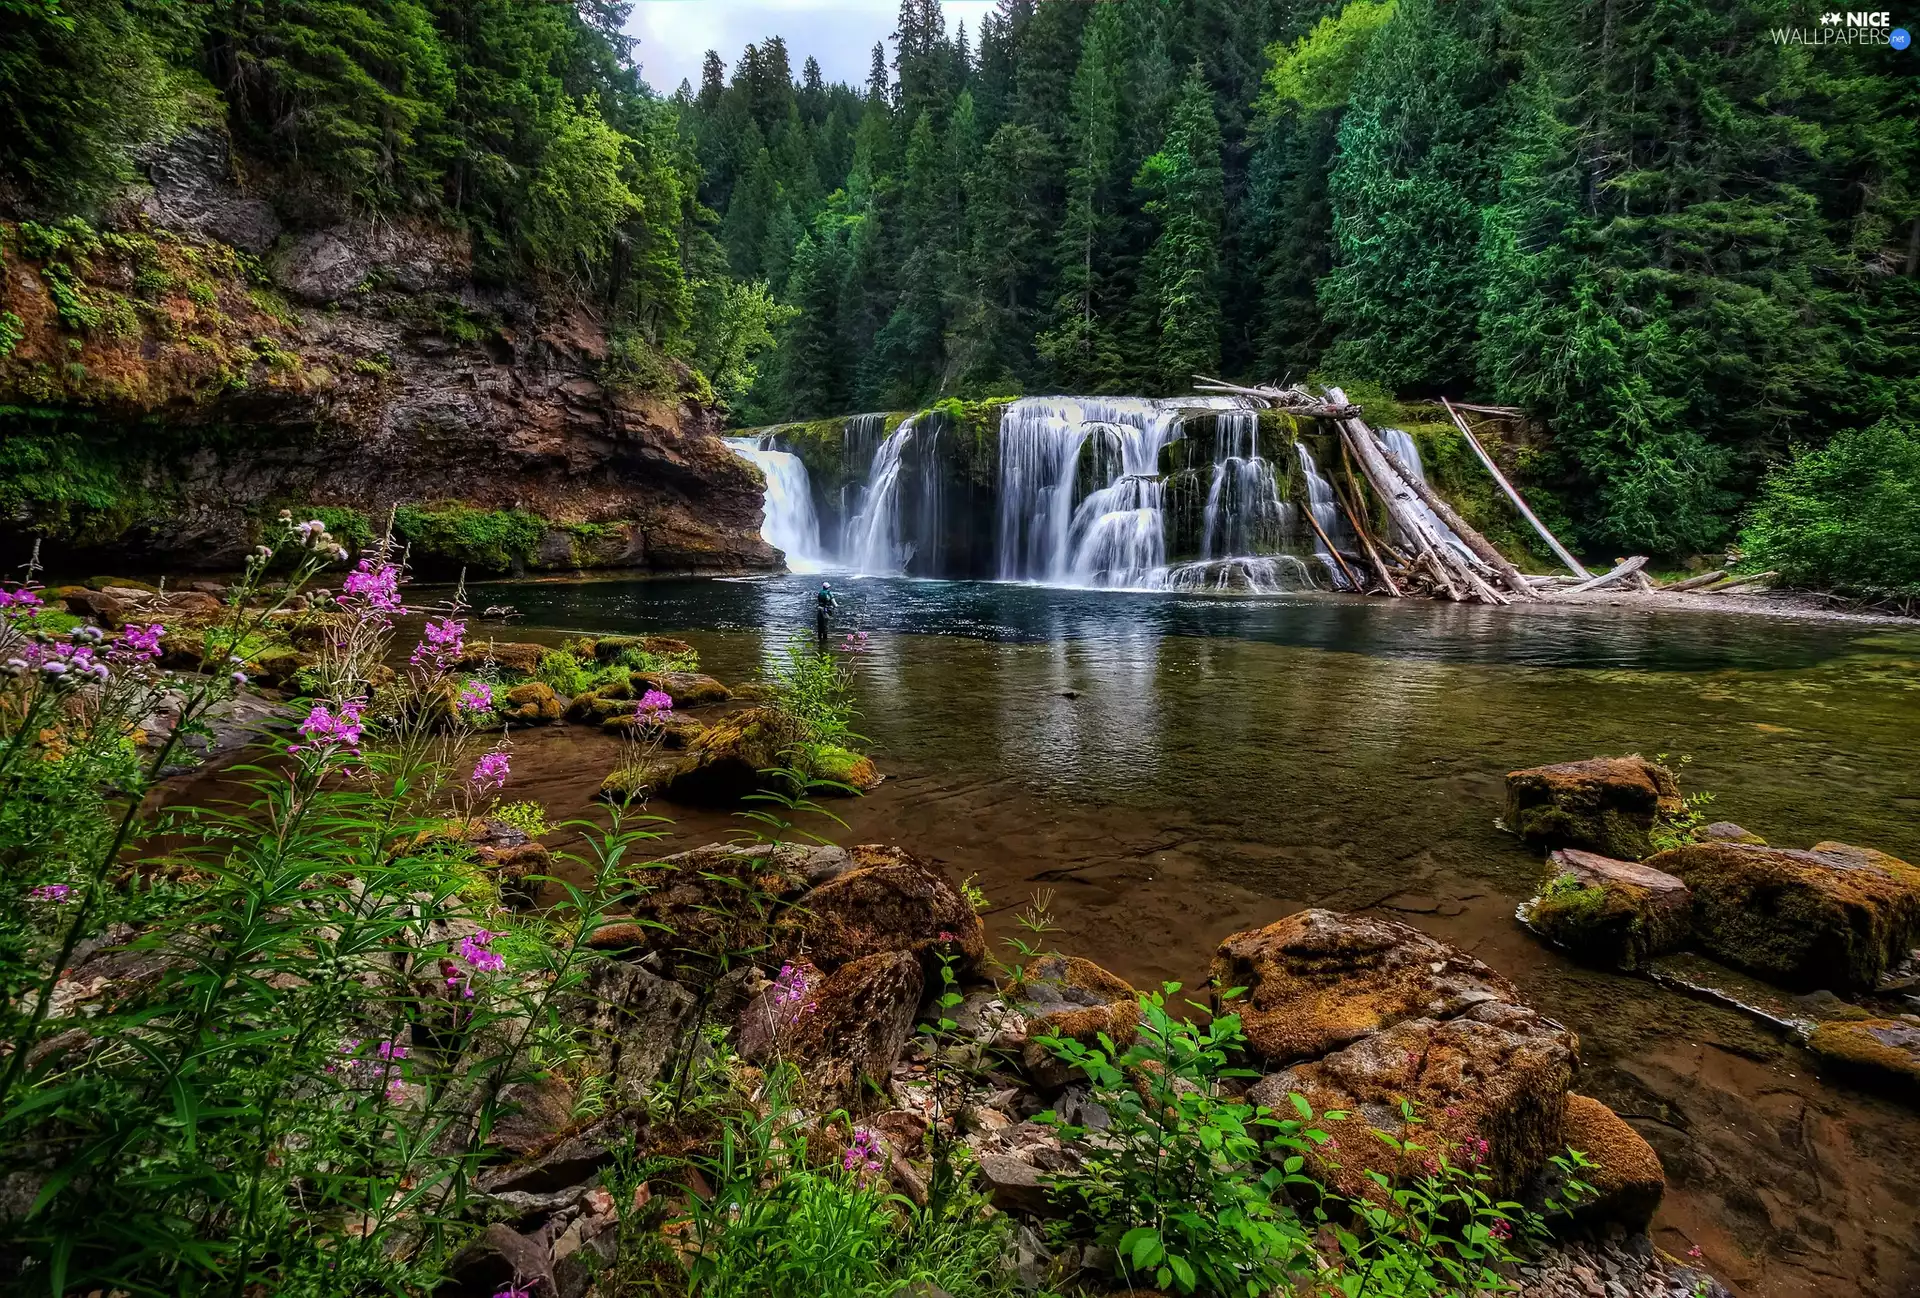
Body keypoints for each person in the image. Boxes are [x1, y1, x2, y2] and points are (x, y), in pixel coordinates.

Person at [814, 580, 838, 649]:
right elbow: (835, 604)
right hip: (825, 611)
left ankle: (819, 640)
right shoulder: (829, 593)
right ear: (828, 587)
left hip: (819, 609)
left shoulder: (820, 593)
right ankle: (824, 643)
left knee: (819, 625)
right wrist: (837, 606)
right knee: (825, 625)